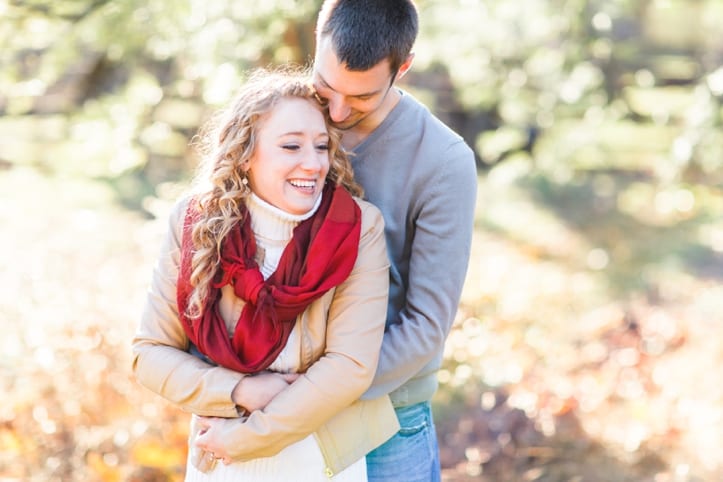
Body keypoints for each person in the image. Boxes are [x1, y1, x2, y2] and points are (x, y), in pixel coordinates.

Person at [131, 66, 399, 481]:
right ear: (245, 154)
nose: (313, 164)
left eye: (322, 146)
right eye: (291, 146)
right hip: (218, 448)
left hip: (319, 451)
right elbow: (149, 353)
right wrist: (238, 392)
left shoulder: (357, 227)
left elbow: (349, 365)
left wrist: (245, 439)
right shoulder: (195, 221)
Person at [312, 1, 478, 480]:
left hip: (386, 419)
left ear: (402, 68)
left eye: (361, 97)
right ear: (318, 35)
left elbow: (425, 325)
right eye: (326, 86)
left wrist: (313, 389)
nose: (337, 111)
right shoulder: (287, 121)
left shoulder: (442, 161)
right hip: (273, 401)